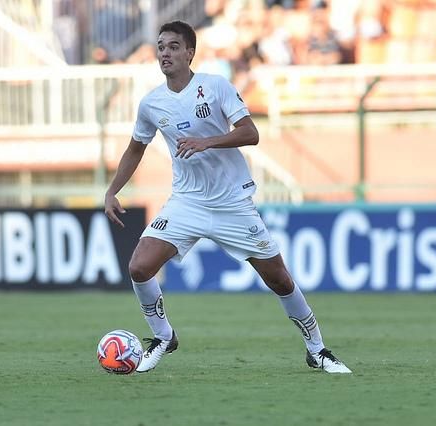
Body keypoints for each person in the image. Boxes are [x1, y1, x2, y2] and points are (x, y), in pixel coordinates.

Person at [104, 21, 351, 374]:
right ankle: (163, 337)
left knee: (279, 278)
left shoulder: (215, 87)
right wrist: (113, 190)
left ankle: (318, 349)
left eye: (173, 47)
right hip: (187, 201)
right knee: (139, 267)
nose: (165, 53)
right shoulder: (151, 103)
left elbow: (250, 133)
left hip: (232, 204)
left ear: (190, 52)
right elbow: (134, 148)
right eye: (160, 47)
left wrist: (207, 141)